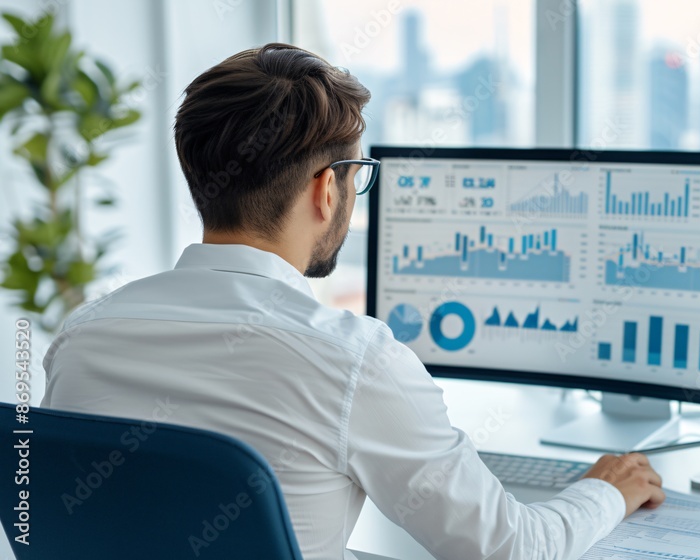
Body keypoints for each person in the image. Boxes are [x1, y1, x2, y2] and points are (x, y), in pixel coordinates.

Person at [41, 43, 665, 560]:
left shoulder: (83, 335)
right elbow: (509, 548)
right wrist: (605, 490)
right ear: (326, 192)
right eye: (356, 173)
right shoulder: (352, 361)